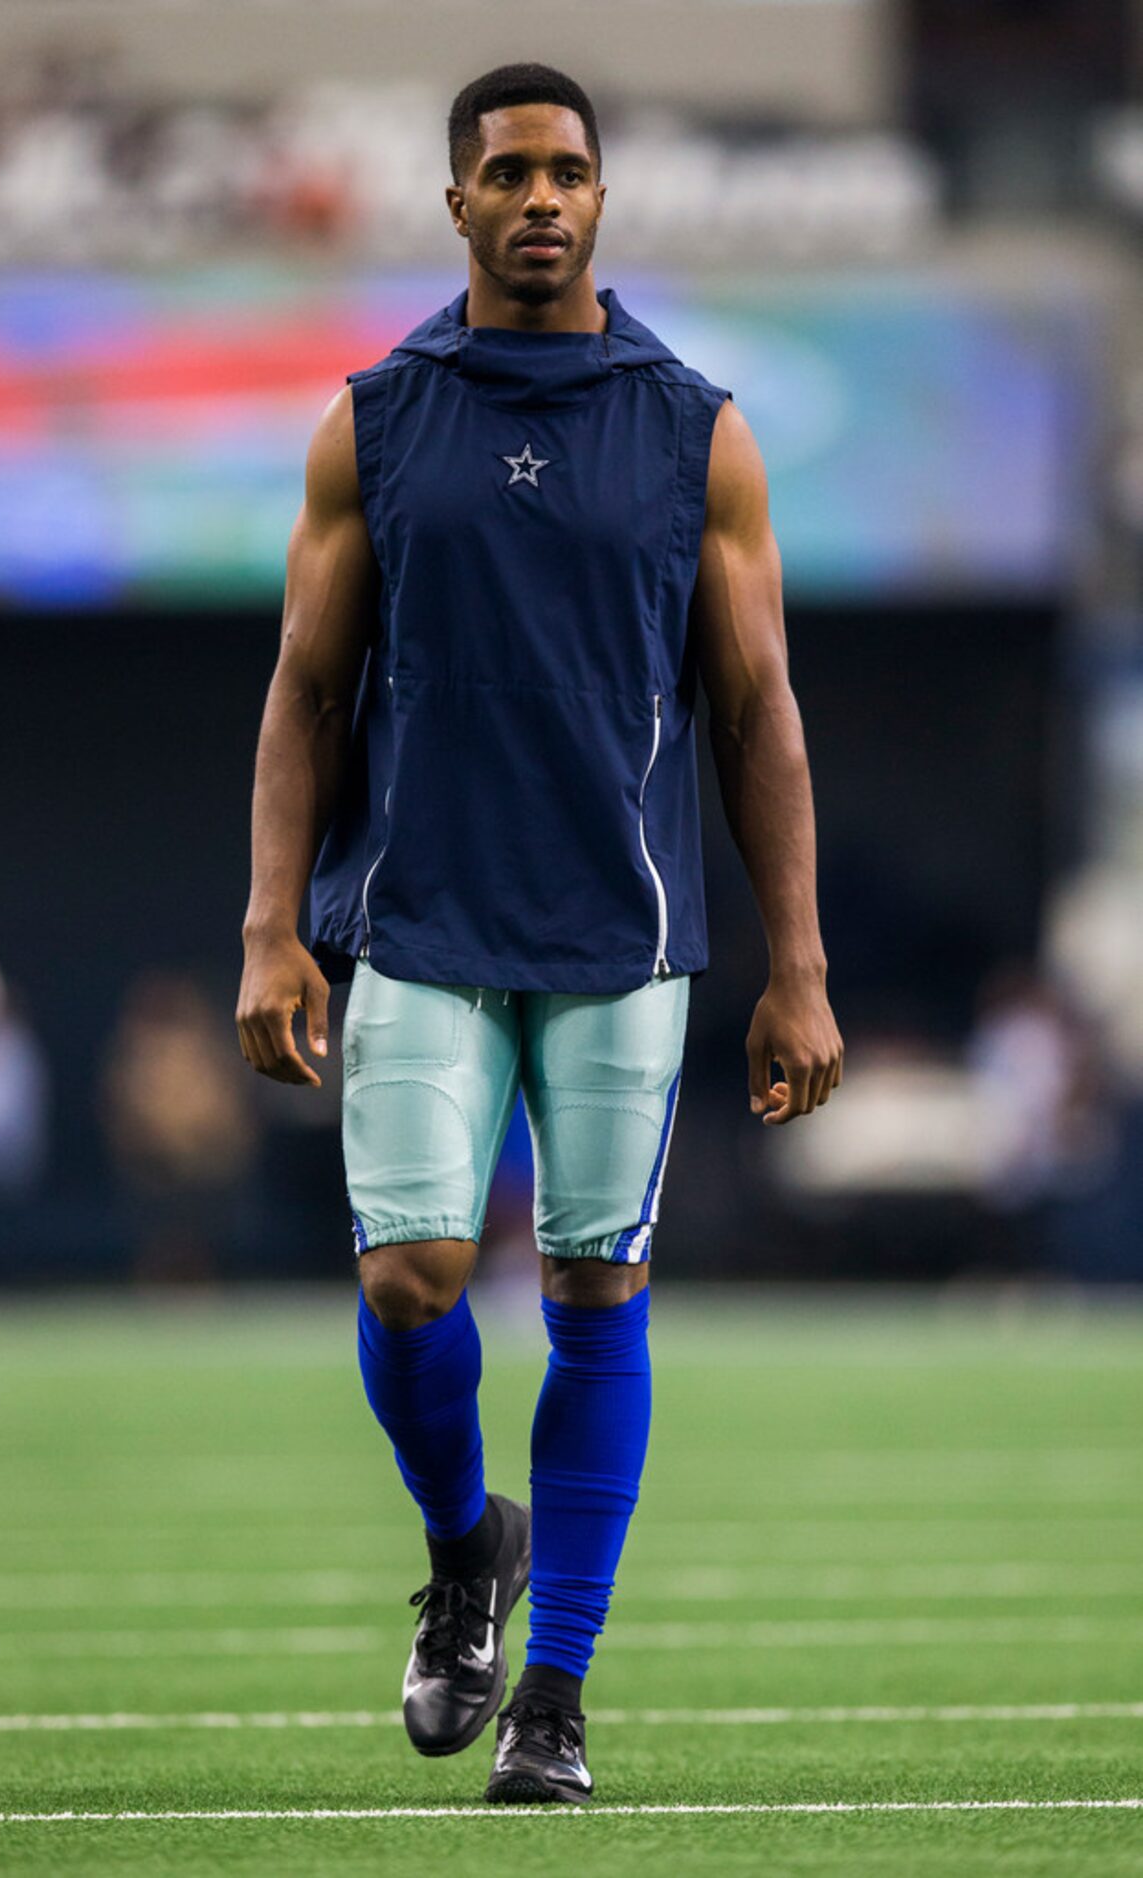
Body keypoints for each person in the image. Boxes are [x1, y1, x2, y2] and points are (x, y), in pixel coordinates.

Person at [237, 62, 843, 1805]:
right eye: (507, 173)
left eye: (569, 171)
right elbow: (304, 687)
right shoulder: (374, 418)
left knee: (595, 1290)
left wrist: (795, 962)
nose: (542, 200)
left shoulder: (694, 428)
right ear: (455, 204)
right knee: (411, 1278)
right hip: (417, 923)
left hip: (619, 936)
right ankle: (461, 1543)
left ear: (602, 195)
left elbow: (758, 712)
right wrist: (272, 923)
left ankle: (556, 1693)